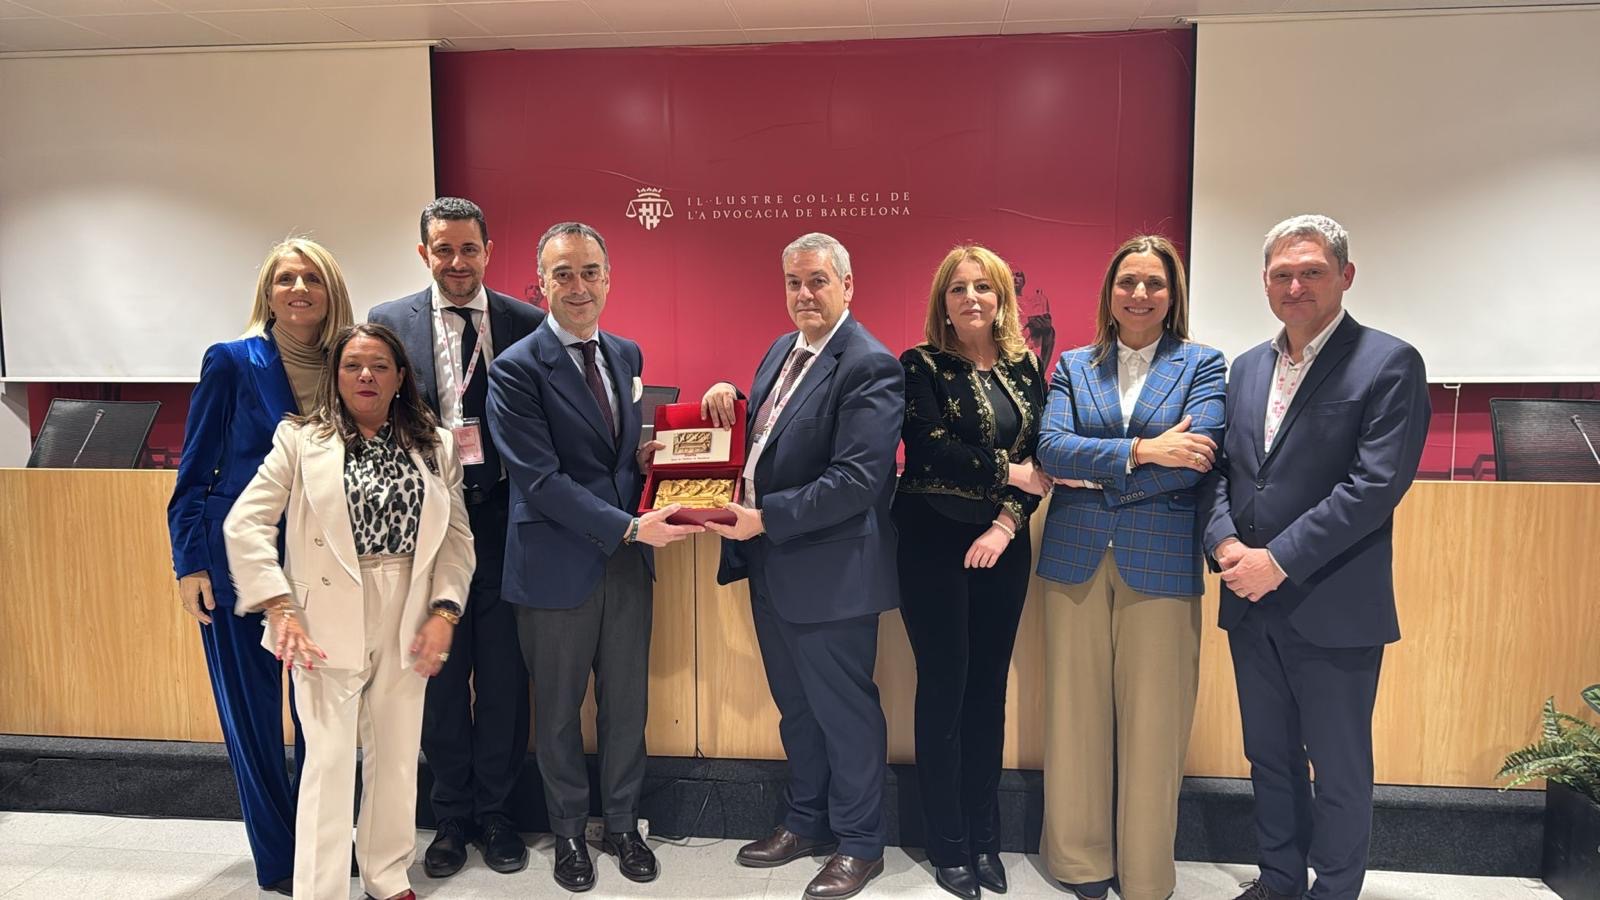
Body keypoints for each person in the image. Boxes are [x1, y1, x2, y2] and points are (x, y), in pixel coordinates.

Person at [1200, 215, 1429, 900]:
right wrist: (1225, 544)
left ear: (1345, 276)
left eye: (1312, 272)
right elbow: (1222, 472)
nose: (1295, 286)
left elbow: (1374, 487)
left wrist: (1277, 560)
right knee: (1268, 758)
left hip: (1333, 603)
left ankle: (1333, 890)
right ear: (1265, 282)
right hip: (1249, 601)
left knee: (1339, 768)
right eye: (1282, 274)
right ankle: (1279, 882)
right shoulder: (1246, 367)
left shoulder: (1388, 362)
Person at [224, 322, 474, 900]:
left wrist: (445, 610)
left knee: (397, 755)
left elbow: (457, 536)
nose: (366, 376)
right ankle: (322, 889)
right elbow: (245, 522)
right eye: (353, 366)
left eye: (380, 366)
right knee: (330, 761)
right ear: (335, 376)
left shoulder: (435, 444)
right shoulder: (299, 440)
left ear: (400, 377)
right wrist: (279, 606)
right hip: (321, 614)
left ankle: (387, 877)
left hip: (409, 606)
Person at [486, 221, 699, 893]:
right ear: (541, 282)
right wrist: (629, 527)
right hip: (555, 564)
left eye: (589, 272)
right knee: (556, 714)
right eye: (563, 274)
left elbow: (610, 457)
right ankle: (571, 834)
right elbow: (541, 481)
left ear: (608, 278)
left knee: (627, 707)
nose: (578, 286)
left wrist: (647, 459)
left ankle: (625, 825)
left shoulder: (626, 353)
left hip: (625, 564)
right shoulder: (514, 369)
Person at [700, 232, 904, 900]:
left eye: (818, 280)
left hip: (831, 574)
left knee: (845, 714)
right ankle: (806, 821)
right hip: (773, 567)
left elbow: (857, 481)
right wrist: (731, 394)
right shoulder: (781, 351)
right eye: (793, 282)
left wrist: (767, 517)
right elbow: (774, 431)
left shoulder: (869, 364)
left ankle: (860, 843)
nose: (804, 293)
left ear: (848, 285)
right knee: (797, 709)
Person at [1034, 235, 1226, 900]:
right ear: (1109, 293)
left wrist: (1096, 471)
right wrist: (1144, 452)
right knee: (1074, 714)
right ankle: (1079, 861)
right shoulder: (1073, 364)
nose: (1139, 294)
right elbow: (1051, 449)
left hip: (1161, 558)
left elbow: (1197, 459)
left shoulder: (1202, 364)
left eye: (1154, 283)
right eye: (1127, 282)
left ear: (1173, 295)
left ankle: (1146, 873)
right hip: (1074, 557)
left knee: (1155, 723)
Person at [166, 237, 354, 895]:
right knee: (252, 717)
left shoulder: (351, 363)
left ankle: (320, 841)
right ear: (268, 293)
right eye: (285, 279)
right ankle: (280, 859)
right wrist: (189, 562)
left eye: (312, 279)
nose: (299, 290)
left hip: (321, 565)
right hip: (237, 564)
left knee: (320, 716)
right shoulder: (232, 361)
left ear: (331, 291)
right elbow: (194, 470)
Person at [368, 197, 544, 878]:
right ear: (424, 254)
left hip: (504, 520)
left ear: (488, 251)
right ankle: (450, 817)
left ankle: (497, 813)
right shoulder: (389, 323)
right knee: (437, 678)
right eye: (443, 249)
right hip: (428, 527)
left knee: (503, 677)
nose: (457, 262)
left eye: (469, 249)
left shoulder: (527, 323)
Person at [893, 244, 1049, 900]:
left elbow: (1042, 458)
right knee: (944, 689)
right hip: (931, 540)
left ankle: (986, 837)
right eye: (958, 289)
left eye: (983, 287)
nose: (971, 298)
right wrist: (1007, 471)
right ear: (943, 302)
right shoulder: (921, 365)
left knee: (988, 690)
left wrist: (1006, 521)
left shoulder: (1025, 367)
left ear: (1002, 298)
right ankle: (948, 843)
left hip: (1002, 544)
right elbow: (928, 451)